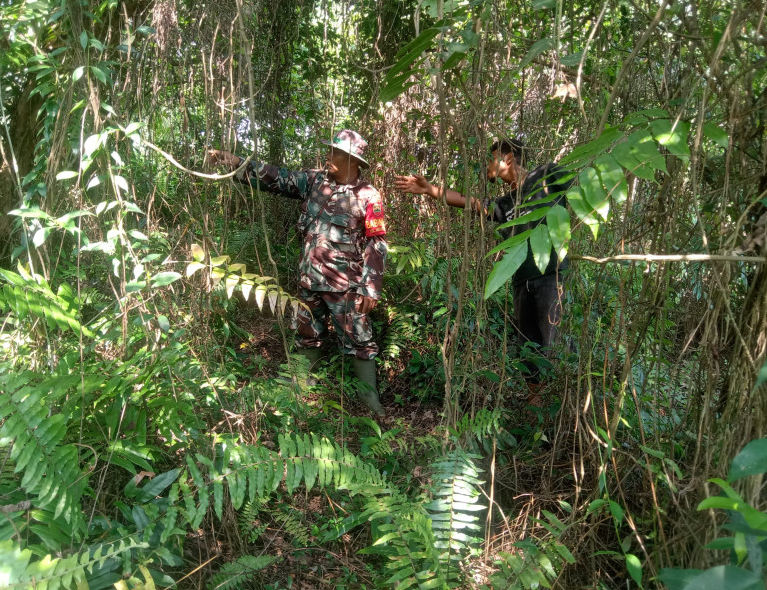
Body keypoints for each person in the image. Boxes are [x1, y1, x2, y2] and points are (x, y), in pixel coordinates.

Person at [209, 130, 387, 416]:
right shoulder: (314, 181)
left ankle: (371, 402)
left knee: (360, 343)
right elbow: (276, 177)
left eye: (335, 153)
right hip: (308, 282)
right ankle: (301, 394)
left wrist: (370, 287)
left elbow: (376, 242)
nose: (328, 156)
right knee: (307, 336)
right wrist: (236, 163)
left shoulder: (368, 196)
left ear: (352, 160)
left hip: (346, 287)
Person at [395, 138, 571, 392]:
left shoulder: (546, 175)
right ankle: (536, 407)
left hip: (551, 276)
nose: (488, 165)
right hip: (522, 280)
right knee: (529, 346)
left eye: (492, 158)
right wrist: (430, 189)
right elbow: (470, 202)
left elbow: (583, 182)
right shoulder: (504, 204)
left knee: (554, 344)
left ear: (508, 159)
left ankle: (562, 405)